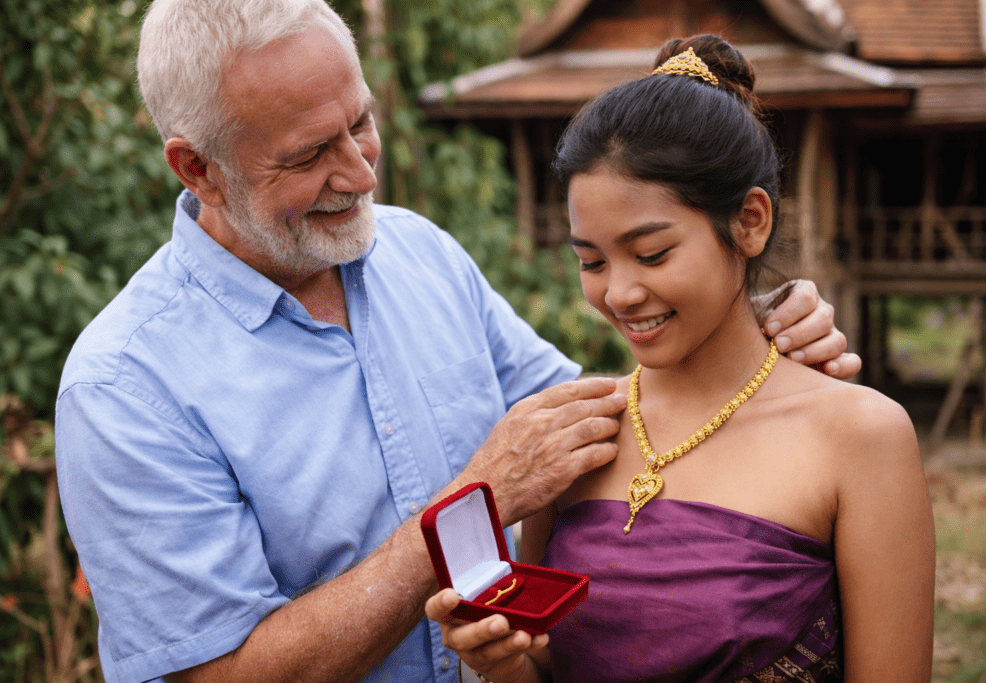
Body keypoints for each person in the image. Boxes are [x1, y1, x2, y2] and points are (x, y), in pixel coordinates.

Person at [54, 2, 859, 681]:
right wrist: (472, 504)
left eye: (361, 123)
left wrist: (755, 344)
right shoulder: (125, 386)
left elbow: (609, 421)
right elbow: (218, 672)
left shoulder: (417, 252)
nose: (362, 172)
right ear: (199, 170)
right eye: (308, 155)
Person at [426, 35, 935, 683]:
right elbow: (551, 667)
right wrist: (503, 664)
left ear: (750, 221)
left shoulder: (861, 436)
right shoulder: (574, 438)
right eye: (591, 261)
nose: (619, 292)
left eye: (653, 253)